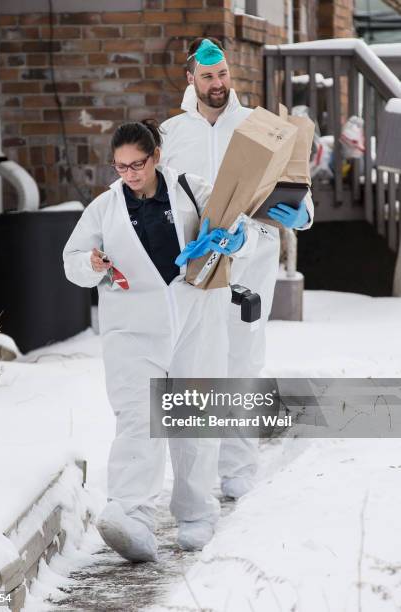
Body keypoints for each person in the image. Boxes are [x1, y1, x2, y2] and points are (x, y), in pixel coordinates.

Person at [63, 120, 257, 562]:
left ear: (156, 158)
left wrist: (235, 239)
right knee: (137, 417)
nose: (129, 175)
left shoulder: (191, 188)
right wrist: (92, 263)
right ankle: (132, 517)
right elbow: (72, 261)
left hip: (195, 320)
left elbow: (236, 225)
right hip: (132, 329)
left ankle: (196, 516)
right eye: (120, 167)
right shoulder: (103, 208)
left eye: (137, 165)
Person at [160, 38, 314, 500]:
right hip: (195, 262)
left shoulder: (258, 127)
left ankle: (238, 469)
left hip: (253, 259)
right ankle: (194, 474)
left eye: (223, 74)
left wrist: (301, 216)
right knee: (190, 364)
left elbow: (299, 187)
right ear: (191, 80)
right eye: (208, 76)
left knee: (242, 358)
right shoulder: (169, 134)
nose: (218, 84)